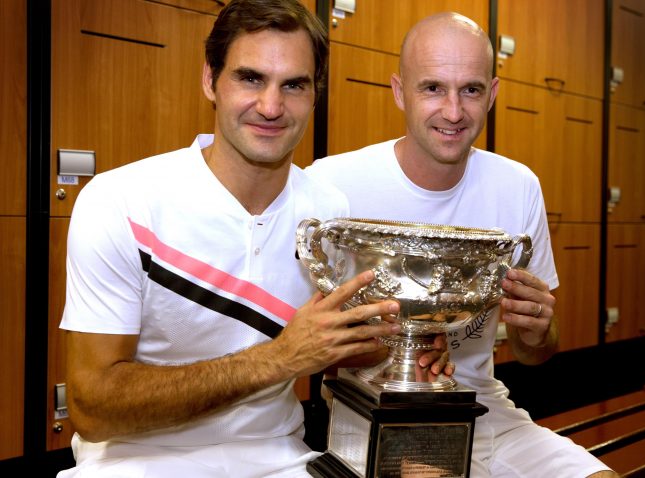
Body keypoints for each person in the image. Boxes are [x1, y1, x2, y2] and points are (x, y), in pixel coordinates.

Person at [57, 1, 410, 476]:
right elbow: (93, 408)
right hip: (134, 461)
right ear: (210, 81)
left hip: (281, 460)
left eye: (294, 85)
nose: (271, 106)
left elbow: (334, 353)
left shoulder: (329, 212)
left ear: (314, 93)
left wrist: (400, 351)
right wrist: (279, 359)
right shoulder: (121, 201)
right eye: (250, 78)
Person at [305, 12, 619, 478]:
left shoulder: (518, 187)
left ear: (491, 94)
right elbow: (307, 349)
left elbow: (538, 352)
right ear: (399, 91)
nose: (453, 111)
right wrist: (396, 345)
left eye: (470, 90)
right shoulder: (333, 186)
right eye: (432, 88)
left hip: (488, 410)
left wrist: (536, 332)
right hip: (376, 415)